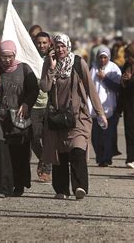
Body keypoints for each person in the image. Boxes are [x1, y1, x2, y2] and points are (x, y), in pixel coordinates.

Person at [40, 33, 106, 200]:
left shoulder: (78, 62)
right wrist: (52, 69)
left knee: (77, 149)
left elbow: (91, 88)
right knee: (60, 154)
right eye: (57, 46)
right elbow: (45, 87)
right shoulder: (49, 62)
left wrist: (100, 113)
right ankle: (61, 190)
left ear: (68, 46)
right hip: (56, 117)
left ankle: (80, 186)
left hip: (77, 117)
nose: (60, 49)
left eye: (63, 46)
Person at [0, 40, 39, 198]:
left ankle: (18, 184)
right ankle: (3, 188)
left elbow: (34, 90)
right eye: (4, 57)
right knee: (0, 149)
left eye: (10, 56)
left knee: (19, 151)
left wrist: (27, 103)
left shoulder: (24, 69)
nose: (7, 60)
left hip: (18, 117)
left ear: (15, 54)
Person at [89, 46, 122, 167]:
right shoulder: (93, 69)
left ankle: (107, 158)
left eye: (105, 57)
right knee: (96, 136)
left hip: (110, 107)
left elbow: (118, 87)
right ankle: (100, 156)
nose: (102, 60)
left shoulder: (114, 68)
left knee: (108, 135)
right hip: (95, 108)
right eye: (100, 57)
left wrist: (105, 79)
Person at [31, 31, 53, 182]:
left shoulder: (54, 58)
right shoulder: (30, 58)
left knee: (48, 139)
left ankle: (47, 169)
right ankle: (43, 159)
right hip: (33, 105)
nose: (42, 45)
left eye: (44, 43)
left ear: (49, 43)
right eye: (39, 43)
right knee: (33, 138)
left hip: (50, 105)